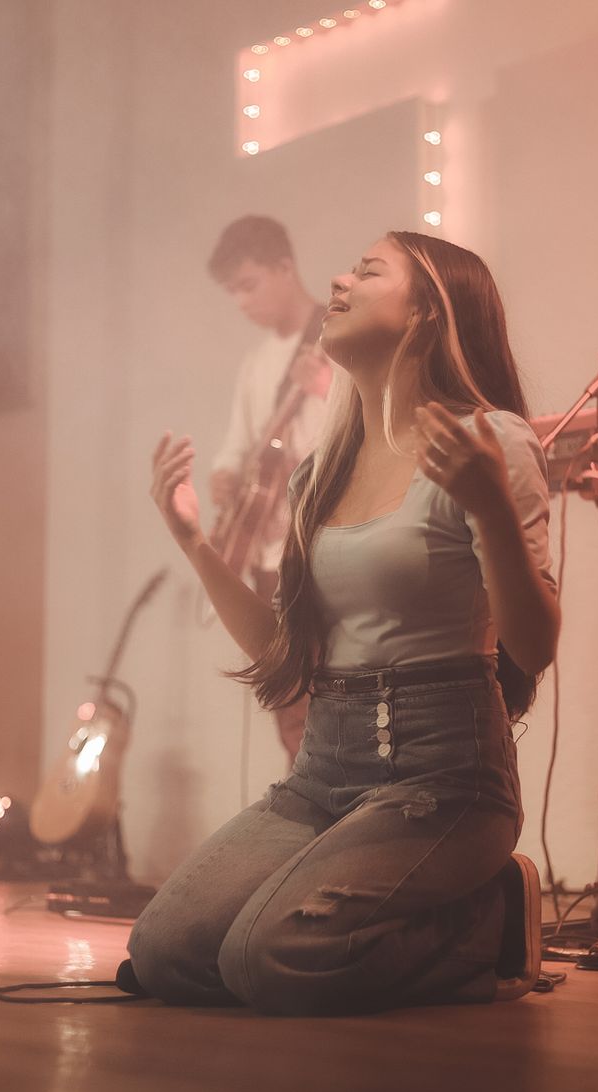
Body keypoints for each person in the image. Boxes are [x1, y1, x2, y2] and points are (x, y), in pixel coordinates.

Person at [126, 231, 560, 1015]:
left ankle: (488, 918)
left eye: (367, 271)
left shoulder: (493, 442)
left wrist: (493, 505)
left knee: (271, 958)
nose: (338, 279)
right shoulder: (318, 474)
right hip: (323, 771)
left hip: (444, 778)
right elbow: (285, 658)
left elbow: (533, 646)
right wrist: (193, 540)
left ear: (427, 313)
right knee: (163, 952)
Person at [207, 215, 332, 765]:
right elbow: (237, 445)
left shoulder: (335, 338)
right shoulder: (256, 365)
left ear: (286, 267)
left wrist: (327, 390)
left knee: (326, 693)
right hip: (265, 552)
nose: (240, 302)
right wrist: (224, 473)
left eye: (249, 284)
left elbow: (364, 432)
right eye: (232, 291)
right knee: (285, 696)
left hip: (319, 544)